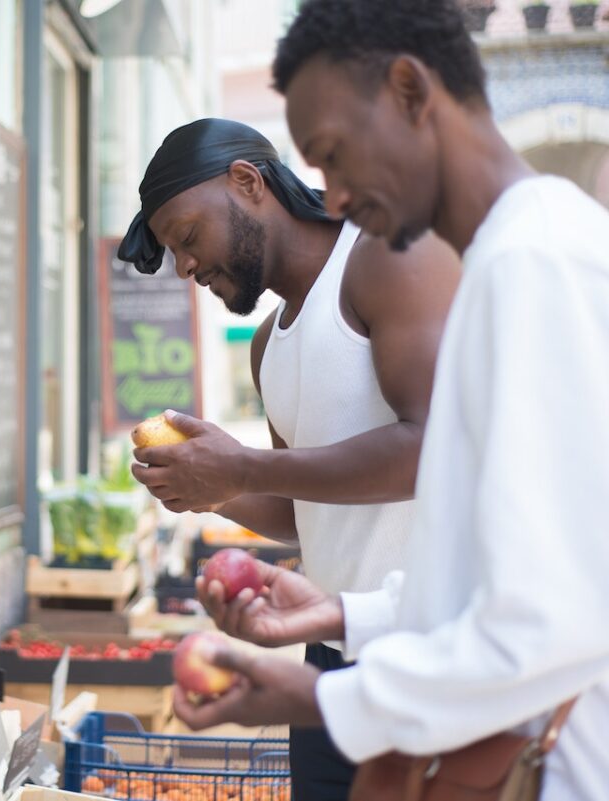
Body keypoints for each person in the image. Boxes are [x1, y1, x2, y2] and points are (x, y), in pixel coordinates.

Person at [171, 3, 609, 800]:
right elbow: (503, 563)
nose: (338, 198)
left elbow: (561, 612)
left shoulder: (543, 265)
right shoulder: (510, 261)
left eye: (336, 157)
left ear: (411, 90)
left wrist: (322, 694)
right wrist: (341, 617)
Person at [119, 118, 460, 801]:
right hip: (330, 664)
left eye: (187, 237)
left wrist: (242, 467)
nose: (185, 267)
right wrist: (207, 488)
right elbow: (305, 515)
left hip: (435, 653)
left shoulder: (379, 260)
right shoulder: (267, 345)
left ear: (248, 182)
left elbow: (431, 447)